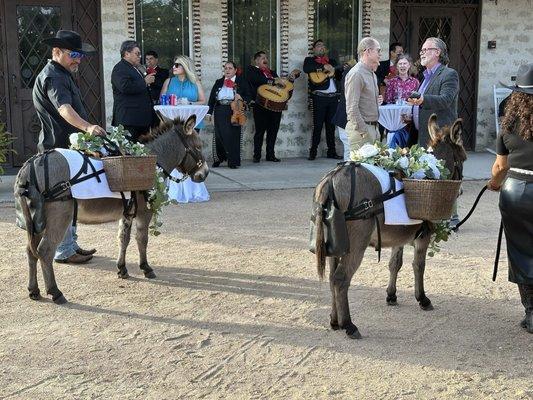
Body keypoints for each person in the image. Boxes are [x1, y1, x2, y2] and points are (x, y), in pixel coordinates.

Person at [33, 30, 106, 264]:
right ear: (57, 52)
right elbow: (64, 109)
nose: (78, 59)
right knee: (61, 201)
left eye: (80, 55)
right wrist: (88, 127)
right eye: (74, 54)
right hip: (58, 151)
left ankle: (69, 245)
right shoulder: (54, 76)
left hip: (64, 150)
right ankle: (64, 250)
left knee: (70, 198)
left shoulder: (61, 73)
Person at [487, 63, 533, 334]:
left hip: (516, 192)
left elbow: (500, 168)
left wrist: (494, 184)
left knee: (522, 252)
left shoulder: (509, 125)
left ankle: (530, 311)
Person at [160, 55, 209, 203]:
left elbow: (203, 101)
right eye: (173, 65)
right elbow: (162, 100)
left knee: (191, 155)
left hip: (191, 125)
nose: (174, 67)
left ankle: (193, 190)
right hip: (173, 125)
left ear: (185, 67)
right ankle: (176, 191)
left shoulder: (195, 82)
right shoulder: (168, 82)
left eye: (177, 65)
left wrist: (189, 102)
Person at [407, 37, 459, 147]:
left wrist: (423, 99)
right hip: (421, 136)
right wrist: (411, 115)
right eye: (421, 51)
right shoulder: (425, 76)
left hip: (439, 137)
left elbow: (446, 99)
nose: (422, 53)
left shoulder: (449, 74)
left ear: (437, 52)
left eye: (425, 50)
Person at [303, 39, 342, 160]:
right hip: (319, 97)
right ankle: (313, 151)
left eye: (323, 46)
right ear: (314, 49)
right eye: (319, 45)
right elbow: (307, 68)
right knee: (318, 125)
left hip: (333, 97)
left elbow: (339, 77)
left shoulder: (333, 61)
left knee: (331, 126)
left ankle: (332, 151)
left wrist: (339, 69)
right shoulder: (309, 60)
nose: (321, 47)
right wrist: (323, 66)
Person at [207, 61, 251, 168]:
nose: (227, 70)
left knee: (234, 136)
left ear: (235, 70)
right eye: (226, 68)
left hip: (235, 110)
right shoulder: (219, 82)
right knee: (219, 135)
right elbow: (212, 98)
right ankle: (219, 158)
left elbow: (249, 96)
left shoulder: (242, 81)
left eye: (230, 68)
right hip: (220, 109)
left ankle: (233, 161)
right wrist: (209, 112)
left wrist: (242, 98)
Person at [111, 40, 157, 142]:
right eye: (137, 53)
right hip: (129, 120)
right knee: (130, 154)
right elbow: (125, 87)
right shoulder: (120, 68)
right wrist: (144, 82)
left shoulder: (135, 68)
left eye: (140, 54)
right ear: (126, 54)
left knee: (142, 152)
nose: (139, 56)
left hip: (140, 120)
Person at [344, 37, 383, 152]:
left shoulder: (372, 74)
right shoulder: (357, 74)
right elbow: (351, 108)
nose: (380, 54)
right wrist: (363, 131)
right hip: (362, 130)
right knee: (360, 169)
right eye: (378, 50)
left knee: (373, 169)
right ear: (368, 51)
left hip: (373, 128)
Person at [247, 51, 283, 163]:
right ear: (256, 60)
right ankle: (257, 155)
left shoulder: (272, 72)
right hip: (261, 105)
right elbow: (257, 80)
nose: (265, 59)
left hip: (275, 105)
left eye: (266, 57)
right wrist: (273, 81)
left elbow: (281, 85)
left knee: (273, 131)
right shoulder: (252, 70)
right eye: (262, 57)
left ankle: (270, 155)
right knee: (260, 131)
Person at [332, 61, 356, 161]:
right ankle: (349, 173)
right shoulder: (351, 72)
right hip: (345, 116)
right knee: (349, 148)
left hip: (350, 116)